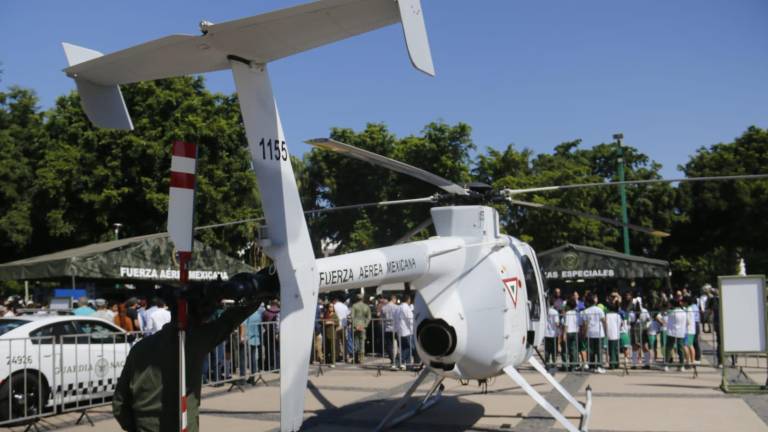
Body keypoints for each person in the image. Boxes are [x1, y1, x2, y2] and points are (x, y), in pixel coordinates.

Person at [112, 272, 277, 432]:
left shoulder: (140, 348)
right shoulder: (193, 342)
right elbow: (229, 320)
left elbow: (119, 406)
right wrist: (262, 285)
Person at [582, 294, 606, 373]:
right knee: (599, 350)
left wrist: (584, 333)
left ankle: (591, 366)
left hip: (590, 333)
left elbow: (585, 324)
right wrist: (606, 331)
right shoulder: (599, 310)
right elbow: (604, 321)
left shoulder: (586, 311)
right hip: (599, 332)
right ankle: (599, 366)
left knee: (591, 351)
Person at [241, 303, 264, 383]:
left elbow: (243, 325)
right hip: (255, 338)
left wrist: (242, 337)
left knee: (243, 359)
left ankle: (242, 378)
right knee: (253, 359)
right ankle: (252, 377)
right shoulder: (258, 314)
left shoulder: (248, 313)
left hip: (247, 338)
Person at [665, 298, 687, 372]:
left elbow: (666, 319)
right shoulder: (684, 312)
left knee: (669, 348)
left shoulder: (671, 312)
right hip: (681, 332)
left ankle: (666, 365)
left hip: (672, 332)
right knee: (680, 349)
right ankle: (681, 365)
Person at [350, 294, 372, 364]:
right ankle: (361, 359)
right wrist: (365, 325)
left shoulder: (354, 306)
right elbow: (369, 317)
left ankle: (356, 358)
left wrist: (355, 325)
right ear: (363, 299)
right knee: (362, 343)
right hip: (363, 326)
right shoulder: (366, 306)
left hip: (356, 326)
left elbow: (352, 316)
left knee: (356, 342)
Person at [394, 294, 414, 370]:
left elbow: (395, 319)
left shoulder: (398, 308)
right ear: (408, 300)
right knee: (409, 348)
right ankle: (398, 361)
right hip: (407, 331)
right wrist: (413, 329)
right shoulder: (406, 308)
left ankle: (407, 364)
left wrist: (396, 330)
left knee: (403, 348)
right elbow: (410, 319)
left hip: (399, 331)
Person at [381, 295, 399, 369]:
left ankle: (392, 358)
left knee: (389, 345)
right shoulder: (396, 307)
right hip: (396, 328)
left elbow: (382, 317)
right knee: (399, 343)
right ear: (393, 299)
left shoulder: (384, 308)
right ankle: (398, 357)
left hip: (387, 328)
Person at [543, 303, 560, 369]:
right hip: (553, 333)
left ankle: (547, 363)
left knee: (547, 349)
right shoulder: (555, 312)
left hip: (546, 333)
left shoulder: (545, 311)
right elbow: (556, 323)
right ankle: (554, 363)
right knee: (554, 350)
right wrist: (559, 327)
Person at [605, 302, 622, 369]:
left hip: (610, 333)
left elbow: (605, 324)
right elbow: (620, 324)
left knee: (611, 350)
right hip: (616, 333)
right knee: (616, 349)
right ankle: (617, 363)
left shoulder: (607, 315)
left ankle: (612, 364)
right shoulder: (618, 315)